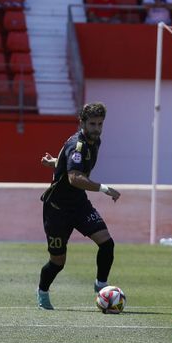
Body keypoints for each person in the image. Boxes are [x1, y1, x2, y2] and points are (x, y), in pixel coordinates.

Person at [35, 102, 121, 310]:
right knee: (58, 262)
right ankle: (43, 292)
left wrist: (55, 162)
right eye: (92, 124)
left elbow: (73, 163)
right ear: (82, 123)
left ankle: (101, 285)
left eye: (100, 124)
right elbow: (74, 178)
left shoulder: (95, 141)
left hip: (79, 205)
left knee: (107, 243)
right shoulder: (78, 145)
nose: (97, 129)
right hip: (57, 210)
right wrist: (105, 189)